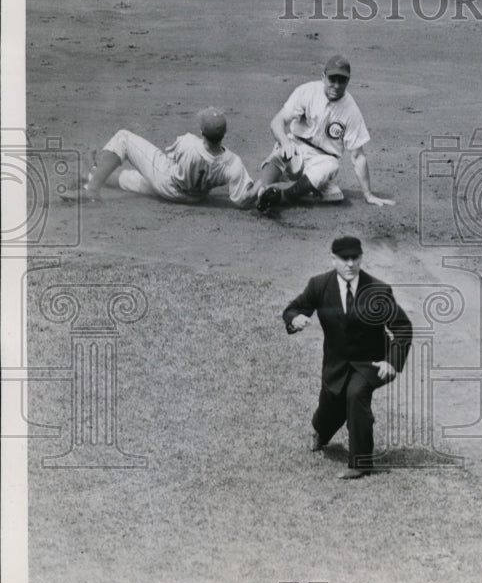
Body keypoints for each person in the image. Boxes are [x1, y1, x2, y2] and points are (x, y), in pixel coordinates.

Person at [282, 235, 412, 479]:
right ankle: (320, 432)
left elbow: (403, 327)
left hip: (371, 362)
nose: (350, 264)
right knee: (331, 406)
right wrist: (294, 319)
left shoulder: (378, 290)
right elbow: (293, 308)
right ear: (333, 260)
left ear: (361, 259)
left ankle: (361, 463)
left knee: (356, 395)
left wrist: (392, 361)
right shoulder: (318, 285)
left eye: (355, 258)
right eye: (344, 259)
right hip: (336, 363)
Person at [256, 54, 395, 211]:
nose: (336, 85)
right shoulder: (307, 92)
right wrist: (285, 141)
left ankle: (283, 197)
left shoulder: (351, 111)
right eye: (332, 79)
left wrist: (368, 194)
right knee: (281, 150)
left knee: (332, 174)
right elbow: (277, 122)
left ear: (347, 81)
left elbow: (358, 155)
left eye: (341, 80)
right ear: (323, 77)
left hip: (322, 159)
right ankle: (264, 189)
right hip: (296, 146)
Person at [61, 107, 259, 207]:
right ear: (224, 134)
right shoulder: (234, 163)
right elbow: (243, 200)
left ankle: (92, 190)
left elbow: (171, 157)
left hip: (168, 184)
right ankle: (92, 175)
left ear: (202, 131)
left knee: (123, 138)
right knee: (134, 179)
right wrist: (262, 189)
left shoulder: (188, 143)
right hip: (195, 198)